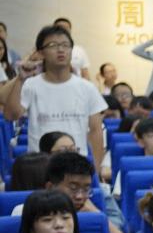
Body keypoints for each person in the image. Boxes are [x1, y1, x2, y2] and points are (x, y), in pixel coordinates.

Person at [1, 25, 108, 178]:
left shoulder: (87, 88)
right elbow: (10, 115)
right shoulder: (31, 84)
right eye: (53, 45)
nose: (61, 50)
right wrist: (20, 79)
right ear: (40, 53)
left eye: (65, 45)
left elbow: (96, 131)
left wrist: (94, 171)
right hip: (40, 166)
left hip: (76, 167)